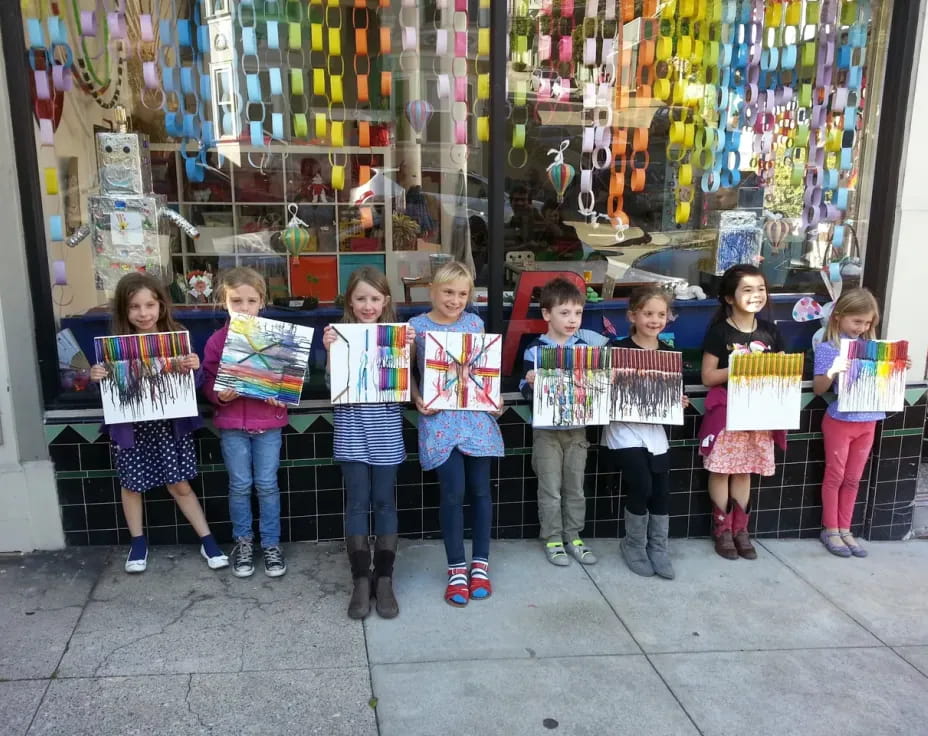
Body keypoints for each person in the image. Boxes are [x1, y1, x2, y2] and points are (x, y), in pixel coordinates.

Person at [89, 273, 228, 574]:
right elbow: (104, 391)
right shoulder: (115, 347)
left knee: (179, 484)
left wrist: (193, 368)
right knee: (131, 486)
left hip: (168, 426)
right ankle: (138, 542)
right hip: (131, 428)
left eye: (150, 304)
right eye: (134, 307)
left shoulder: (176, 336)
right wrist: (96, 377)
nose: (143, 313)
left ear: (161, 306)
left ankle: (207, 539)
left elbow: (194, 384)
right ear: (124, 311)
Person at [410, 261, 504, 607]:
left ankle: (480, 564)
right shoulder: (416, 326)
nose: (455, 300)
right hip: (439, 421)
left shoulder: (474, 323)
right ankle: (455, 568)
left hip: (476, 418)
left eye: (462, 294)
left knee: (480, 491)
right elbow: (408, 373)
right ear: (432, 290)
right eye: (448, 292)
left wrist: (494, 398)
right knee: (453, 492)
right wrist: (417, 397)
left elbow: (483, 369)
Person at [321, 267, 414, 619]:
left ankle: (385, 577)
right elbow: (332, 382)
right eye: (360, 298)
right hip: (351, 431)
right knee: (357, 503)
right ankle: (361, 578)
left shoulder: (396, 336)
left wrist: (411, 350)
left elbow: (407, 383)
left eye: (375, 298)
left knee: (384, 502)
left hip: (387, 431)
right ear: (350, 301)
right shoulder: (339, 335)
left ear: (386, 301)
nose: (368, 304)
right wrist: (330, 349)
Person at [201, 267, 288, 578]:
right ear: (224, 302)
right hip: (232, 426)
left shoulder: (278, 338)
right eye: (236, 301)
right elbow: (207, 382)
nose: (244, 307)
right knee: (240, 485)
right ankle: (244, 542)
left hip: (269, 424)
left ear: (262, 302)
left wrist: (282, 395)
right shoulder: (217, 341)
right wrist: (219, 396)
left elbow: (287, 381)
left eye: (251, 301)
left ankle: (271, 544)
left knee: (267, 485)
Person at [698, 264, 786, 560]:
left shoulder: (770, 331)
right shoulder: (719, 332)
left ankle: (741, 529)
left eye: (760, 289)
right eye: (747, 289)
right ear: (729, 298)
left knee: (745, 470)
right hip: (727, 414)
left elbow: (783, 372)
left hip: (759, 414)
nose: (756, 295)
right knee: (721, 469)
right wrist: (738, 366)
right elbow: (708, 377)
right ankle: (721, 528)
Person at [812, 287, 908, 558]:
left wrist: (897, 368)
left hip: (869, 420)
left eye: (867, 323)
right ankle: (831, 529)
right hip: (841, 420)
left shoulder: (872, 350)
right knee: (835, 476)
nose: (862, 327)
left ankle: (846, 528)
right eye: (857, 321)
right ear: (838, 317)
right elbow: (819, 388)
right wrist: (832, 370)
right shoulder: (829, 348)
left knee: (853, 478)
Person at [604, 285, 688, 579]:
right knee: (641, 483)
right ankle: (634, 545)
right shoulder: (615, 349)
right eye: (648, 313)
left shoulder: (670, 354)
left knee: (661, 491)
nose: (655, 320)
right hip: (623, 431)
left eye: (661, 314)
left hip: (655, 433)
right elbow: (600, 389)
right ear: (633, 315)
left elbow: (677, 393)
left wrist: (679, 400)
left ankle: (658, 547)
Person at [521, 277, 604, 567]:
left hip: (578, 430)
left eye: (578, 313)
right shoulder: (534, 350)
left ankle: (574, 536)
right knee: (550, 488)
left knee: (575, 488)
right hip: (546, 432)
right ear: (546, 314)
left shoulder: (587, 346)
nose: (572, 320)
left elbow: (607, 365)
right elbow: (523, 387)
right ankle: (553, 537)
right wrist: (530, 383)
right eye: (564, 313)